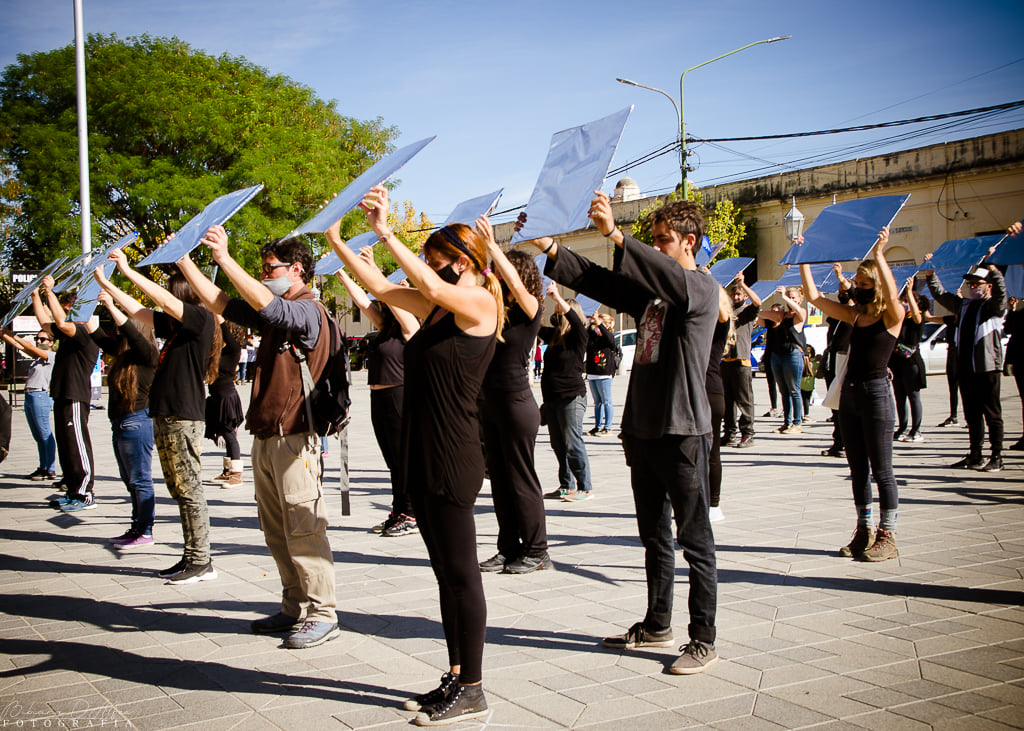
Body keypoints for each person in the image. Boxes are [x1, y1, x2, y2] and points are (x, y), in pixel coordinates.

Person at [525, 190, 720, 675]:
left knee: (693, 538)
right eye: (650, 240)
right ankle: (658, 624)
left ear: (689, 242)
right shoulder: (655, 295)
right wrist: (550, 247)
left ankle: (703, 638)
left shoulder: (700, 287)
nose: (654, 249)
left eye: (662, 241)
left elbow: (668, 274)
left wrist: (616, 234)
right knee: (653, 535)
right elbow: (601, 282)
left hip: (683, 430)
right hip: (645, 429)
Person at [330, 184, 500, 725]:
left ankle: (473, 687)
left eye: (437, 260)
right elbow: (379, 285)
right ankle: (455, 675)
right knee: (443, 574)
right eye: (427, 260)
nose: (428, 269)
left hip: (454, 453)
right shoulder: (432, 309)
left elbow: (421, 281)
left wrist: (385, 231)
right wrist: (335, 236)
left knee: (461, 573)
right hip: (423, 450)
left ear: (464, 262)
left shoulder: (479, 303)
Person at [178, 224, 339, 649]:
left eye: (270, 268)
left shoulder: (307, 309)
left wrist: (225, 258)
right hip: (267, 433)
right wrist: (183, 260)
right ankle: (293, 605)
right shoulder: (274, 308)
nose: (265, 274)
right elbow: (223, 303)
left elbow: (273, 311)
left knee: (304, 528)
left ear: (297, 270)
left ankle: (323, 612)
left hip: (296, 436)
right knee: (276, 530)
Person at [97, 249, 220, 584]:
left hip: (183, 416)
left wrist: (127, 268)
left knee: (190, 489)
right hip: (166, 415)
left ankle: (202, 560)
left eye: (171, 288)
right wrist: (107, 282)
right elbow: (138, 311)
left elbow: (162, 301)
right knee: (179, 490)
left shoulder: (200, 318)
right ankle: (191, 556)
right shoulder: (179, 328)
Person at [801, 226, 904, 562]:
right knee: (857, 468)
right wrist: (802, 260)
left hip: (876, 394)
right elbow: (816, 299)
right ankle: (864, 530)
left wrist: (879, 255)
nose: (856, 289)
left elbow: (891, 295)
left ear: (875, 287)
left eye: (863, 285)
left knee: (882, 469)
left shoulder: (892, 317)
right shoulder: (855, 316)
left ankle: (887, 536)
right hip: (851, 395)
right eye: (856, 284)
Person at [476, 238, 549, 574]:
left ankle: (538, 551)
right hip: (490, 405)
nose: (499, 278)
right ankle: (508, 548)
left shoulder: (530, 307)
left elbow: (516, 285)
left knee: (522, 480)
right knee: (501, 482)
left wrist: (492, 246)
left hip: (517, 404)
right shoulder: (496, 312)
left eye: (505, 273)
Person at [335, 264, 419, 537]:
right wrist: (342, 273)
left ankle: (411, 513)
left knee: (402, 458)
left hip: (400, 395)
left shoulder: (410, 325)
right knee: (392, 459)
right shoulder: (386, 325)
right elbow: (363, 299)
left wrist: (377, 273)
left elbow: (385, 293)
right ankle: (399, 510)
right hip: (380, 396)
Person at [89, 286, 159, 549]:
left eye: (126, 328)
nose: (120, 332)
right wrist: (83, 307)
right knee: (130, 480)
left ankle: (146, 530)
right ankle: (137, 527)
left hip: (137, 422)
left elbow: (132, 332)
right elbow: (96, 334)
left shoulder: (147, 354)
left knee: (140, 479)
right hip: (120, 424)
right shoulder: (123, 354)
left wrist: (112, 305)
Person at [924, 254, 1007, 471]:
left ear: (988, 286)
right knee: (972, 413)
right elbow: (941, 295)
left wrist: (994, 271)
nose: (972, 287)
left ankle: (997, 455)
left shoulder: (994, 307)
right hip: (967, 368)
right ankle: (975, 454)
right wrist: (931, 275)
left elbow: (1001, 294)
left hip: (987, 368)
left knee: (992, 413)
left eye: (977, 284)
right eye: (970, 284)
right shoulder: (965, 306)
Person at [32, 277, 99, 511]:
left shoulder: (83, 332)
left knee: (77, 444)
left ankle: (85, 493)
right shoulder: (68, 332)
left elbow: (60, 321)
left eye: (68, 306)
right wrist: (35, 295)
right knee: (66, 445)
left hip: (75, 396)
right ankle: (72, 490)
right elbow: (46, 323)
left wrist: (49, 292)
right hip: (62, 395)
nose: (65, 310)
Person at [538, 284, 593, 502]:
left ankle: (584, 487)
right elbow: (533, 325)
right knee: (558, 444)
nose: (556, 316)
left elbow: (576, 322)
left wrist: (558, 298)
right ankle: (566, 485)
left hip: (571, 397)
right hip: (552, 399)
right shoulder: (553, 336)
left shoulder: (579, 337)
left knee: (573, 442)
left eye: (559, 314)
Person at [1, 328, 56, 481]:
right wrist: (4, 334)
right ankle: (43, 466)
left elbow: (29, 347)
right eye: (37, 339)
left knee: (45, 433)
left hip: (40, 395)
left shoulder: (50, 355)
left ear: (51, 343)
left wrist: (13, 335)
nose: (39, 341)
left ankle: (50, 468)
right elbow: (21, 347)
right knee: (38, 435)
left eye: (42, 339)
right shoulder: (37, 357)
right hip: (30, 395)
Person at [759, 286, 807, 434]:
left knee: (794, 390)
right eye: (789, 297)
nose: (791, 300)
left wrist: (784, 297)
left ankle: (797, 423)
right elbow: (760, 315)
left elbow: (798, 312)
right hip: (777, 355)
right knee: (784, 391)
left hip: (793, 355)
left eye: (794, 298)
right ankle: (786, 423)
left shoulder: (800, 313)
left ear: (800, 299)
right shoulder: (781, 315)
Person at [721, 272, 761, 448]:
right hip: (726, 361)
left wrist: (744, 285)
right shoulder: (727, 311)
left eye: (739, 295)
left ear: (743, 296)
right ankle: (729, 434)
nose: (736, 297)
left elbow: (758, 302)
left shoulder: (748, 311)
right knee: (727, 402)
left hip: (742, 361)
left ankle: (748, 434)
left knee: (744, 400)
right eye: (734, 294)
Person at [706, 287, 735, 523]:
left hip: (710, 392)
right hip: (691, 392)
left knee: (712, 451)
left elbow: (723, 315)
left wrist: (706, 284)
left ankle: (713, 504)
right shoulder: (696, 324)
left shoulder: (718, 326)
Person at [205, 318, 246, 488]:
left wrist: (220, 319)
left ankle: (236, 474)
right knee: (224, 432)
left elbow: (228, 338)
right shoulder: (218, 350)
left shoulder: (233, 349)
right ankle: (227, 471)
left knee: (229, 435)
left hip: (226, 397)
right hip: (216, 396)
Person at [821, 265, 853, 458]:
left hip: (845, 359)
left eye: (844, 290)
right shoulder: (838, 315)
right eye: (840, 290)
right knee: (835, 405)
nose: (841, 293)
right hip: (833, 359)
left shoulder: (856, 312)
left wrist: (841, 278)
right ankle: (838, 442)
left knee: (844, 405)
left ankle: (847, 443)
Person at [890, 279, 928, 443]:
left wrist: (911, 292)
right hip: (897, 362)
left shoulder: (916, 319)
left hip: (911, 362)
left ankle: (916, 429)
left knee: (913, 396)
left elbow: (917, 316)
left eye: (907, 301)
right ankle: (902, 427)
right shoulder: (900, 319)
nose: (904, 303)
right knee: (899, 397)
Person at [585, 312, 616, 436]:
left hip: (604, 373)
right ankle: (597, 426)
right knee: (597, 402)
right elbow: (585, 335)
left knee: (606, 401)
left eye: (600, 324)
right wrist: (591, 323)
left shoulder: (608, 337)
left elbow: (611, 341)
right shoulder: (592, 336)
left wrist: (600, 325)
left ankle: (607, 427)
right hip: (592, 372)